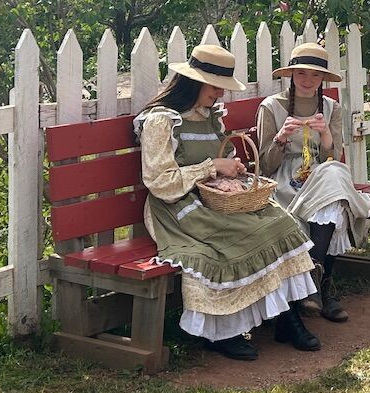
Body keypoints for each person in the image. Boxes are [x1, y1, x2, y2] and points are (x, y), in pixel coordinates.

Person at [134, 43, 323, 360]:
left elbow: (226, 155)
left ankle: (287, 320)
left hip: (220, 198)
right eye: (215, 87)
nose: (220, 94)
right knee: (245, 237)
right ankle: (222, 332)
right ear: (194, 83)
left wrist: (233, 168)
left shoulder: (210, 117)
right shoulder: (161, 120)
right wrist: (212, 167)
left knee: (281, 222)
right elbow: (160, 182)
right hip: (179, 207)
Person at [257, 42, 370, 323]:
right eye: (301, 73)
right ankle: (321, 287)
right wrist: (281, 138)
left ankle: (315, 283)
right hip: (285, 180)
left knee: (333, 180)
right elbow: (264, 166)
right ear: (291, 75)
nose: (308, 80)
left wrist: (326, 137)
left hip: (322, 174)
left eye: (315, 74)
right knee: (334, 199)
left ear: (323, 78)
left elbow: (333, 158)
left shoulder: (331, 107)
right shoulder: (271, 107)